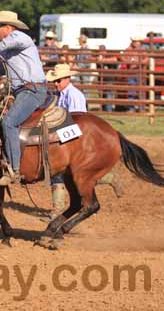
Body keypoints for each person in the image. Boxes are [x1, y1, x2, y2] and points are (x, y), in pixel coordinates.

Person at [45, 64, 124, 218]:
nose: (56, 83)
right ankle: (109, 178)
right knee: (62, 172)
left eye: (59, 80)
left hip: (74, 138)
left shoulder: (74, 96)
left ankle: (58, 209)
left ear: (68, 79)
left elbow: (79, 122)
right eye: (55, 81)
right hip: (65, 135)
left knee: (64, 172)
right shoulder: (60, 95)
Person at [0, 11, 48, 186]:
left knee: (9, 122)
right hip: (24, 91)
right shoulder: (7, 52)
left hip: (33, 90)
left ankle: (14, 169)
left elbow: (12, 41)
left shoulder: (20, 37)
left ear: (8, 27)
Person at [121, 36, 148, 112]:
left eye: (137, 41)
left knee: (141, 91)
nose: (136, 43)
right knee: (131, 90)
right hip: (132, 73)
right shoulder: (129, 50)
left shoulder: (142, 50)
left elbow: (146, 59)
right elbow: (122, 57)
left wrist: (141, 63)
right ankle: (131, 107)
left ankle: (141, 108)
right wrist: (128, 61)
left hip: (140, 72)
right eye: (135, 41)